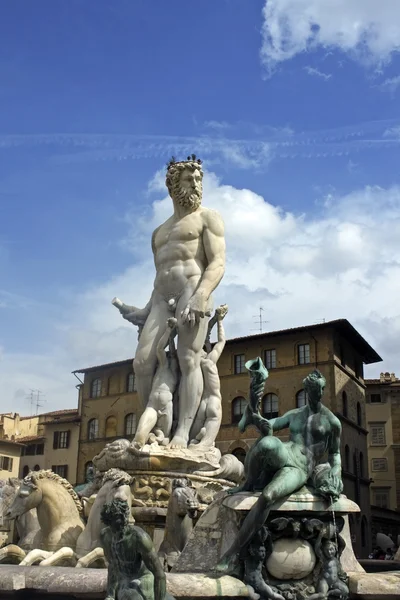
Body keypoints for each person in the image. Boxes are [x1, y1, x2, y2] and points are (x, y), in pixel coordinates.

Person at [120, 156, 226, 449]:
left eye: (198, 180)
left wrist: (201, 295)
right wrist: (142, 311)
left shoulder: (209, 218)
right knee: (142, 362)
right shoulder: (159, 233)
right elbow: (160, 275)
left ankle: (182, 431)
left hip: (193, 290)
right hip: (161, 299)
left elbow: (217, 263)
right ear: (172, 185)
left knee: (189, 358)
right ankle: (153, 428)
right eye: (189, 180)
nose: (196, 185)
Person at [216, 369, 343, 575]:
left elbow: (335, 455)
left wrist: (335, 472)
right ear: (306, 390)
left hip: (300, 466)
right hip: (287, 452)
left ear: (323, 390)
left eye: (319, 390)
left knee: (268, 495)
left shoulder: (331, 422)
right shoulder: (295, 414)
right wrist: (258, 419)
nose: (316, 394)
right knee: (267, 443)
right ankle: (248, 484)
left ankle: (233, 552)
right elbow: (272, 426)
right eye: (312, 390)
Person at [100, 498, 173, 600]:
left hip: (144, 578)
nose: (123, 520)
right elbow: (112, 566)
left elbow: (159, 574)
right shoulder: (105, 536)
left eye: (123, 516)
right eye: (115, 518)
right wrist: (110, 595)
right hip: (125, 580)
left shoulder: (139, 537)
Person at [133, 318, 178, 446]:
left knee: (164, 439)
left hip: (167, 406)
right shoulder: (164, 366)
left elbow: (174, 354)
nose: (173, 358)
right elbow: (160, 349)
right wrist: (169, 331)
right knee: (140, 436)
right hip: (152, 404)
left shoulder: (179, 376)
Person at [189, 304, 228, 449]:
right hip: (213, 399)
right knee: (206, 443)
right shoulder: (210, 361)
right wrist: (219, 321)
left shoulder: (194, 365)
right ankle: (204, 444)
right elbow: (221, 341)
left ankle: (197, 440)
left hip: (201, 405)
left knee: (192, 440)